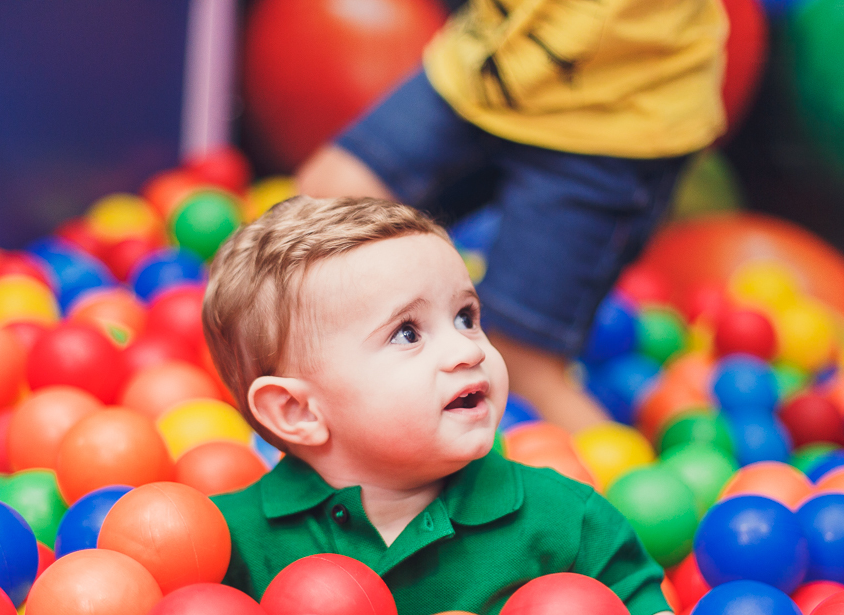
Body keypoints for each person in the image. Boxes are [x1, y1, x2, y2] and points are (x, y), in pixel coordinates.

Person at [203, 195, 689, 615]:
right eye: (407, 333)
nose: (466, 350)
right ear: (298, 411)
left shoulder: (567, 519)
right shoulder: (225, 544)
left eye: (466, 317)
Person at [297, 0, 728, 433]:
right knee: (330, 199)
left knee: (517, 364)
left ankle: (615, 473)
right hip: (491, 60)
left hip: (613, 120)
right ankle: (376, 379)